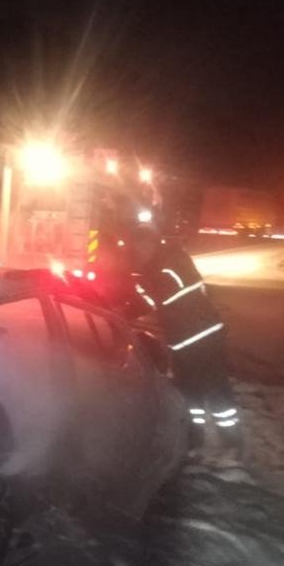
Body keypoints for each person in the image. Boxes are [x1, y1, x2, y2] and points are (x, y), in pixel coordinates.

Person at [102, 189, 241, 452]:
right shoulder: (154, 267)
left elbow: (164, 295)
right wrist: (123, 308)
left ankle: (232, 442)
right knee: (189, 393)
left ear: (150, 244)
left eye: (139, 248)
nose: (135, 253)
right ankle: (195, 437)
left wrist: (126, 310)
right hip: (183, 341)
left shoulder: (169, 263)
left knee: (215, 391)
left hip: (203, 338)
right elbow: (150, 299)